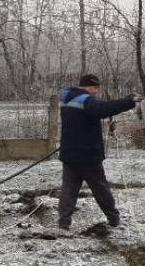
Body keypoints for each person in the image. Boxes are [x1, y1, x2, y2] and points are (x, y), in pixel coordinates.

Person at [57, 74, 139, 230]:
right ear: (86, 86)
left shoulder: (67, 98)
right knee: (101, 188)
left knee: (69, 189)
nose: (96, 92)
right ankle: (113, 218)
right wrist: (129, 101)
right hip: (87, 155)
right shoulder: (85, 100)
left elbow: (96, 108)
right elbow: (103, 109)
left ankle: (64, 221)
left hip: (70, 154)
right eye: (95, 88)